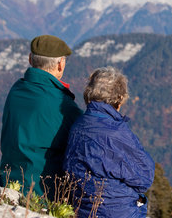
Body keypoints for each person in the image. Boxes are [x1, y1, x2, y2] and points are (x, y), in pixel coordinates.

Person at [0, 35, 83, 197]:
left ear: (30, 59)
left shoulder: (16, 90)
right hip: (42, 193)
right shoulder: (63, 105)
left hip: (8, 184)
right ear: (60, 64)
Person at [63, 66, 155, 218]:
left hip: (83, 209)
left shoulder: (78, 125)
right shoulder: (117, 132)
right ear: (119, 99)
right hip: (118, 212)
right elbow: (145, 178)